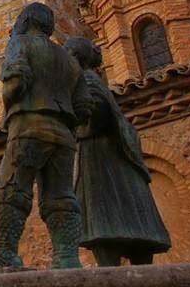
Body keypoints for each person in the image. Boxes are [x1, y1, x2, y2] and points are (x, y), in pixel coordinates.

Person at [0, 3, 91, 274]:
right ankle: (67, 259)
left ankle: (3, 254)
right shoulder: (69, 58)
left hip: (29, 123)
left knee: (10, 189)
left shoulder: (20, 41)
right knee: (61, 196)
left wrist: (8, 105)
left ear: (26, 20)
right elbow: (84, 107)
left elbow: (16, 79)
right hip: (65, 133)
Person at [66, 36, 171, 266]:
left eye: (69, 56)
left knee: (102, 230)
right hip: (112, 161)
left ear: (78, 58)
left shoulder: (87, 82)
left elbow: (93, 120)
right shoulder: (94, 81)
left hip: (99, 161)